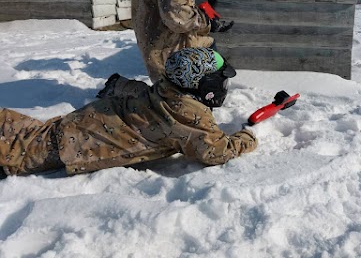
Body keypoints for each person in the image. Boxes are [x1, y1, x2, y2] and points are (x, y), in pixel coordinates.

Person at [0, 48, 257, 176]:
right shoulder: (187, 116)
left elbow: (140, 92)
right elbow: (215, 151)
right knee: (14, 155)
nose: (224, 85)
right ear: (201, 84)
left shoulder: (166, 90)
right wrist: (248, 138)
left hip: (83, 123)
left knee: (24, 131)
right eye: (219, 80)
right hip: (78, 143)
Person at [97, 0, 233, 99]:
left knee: (180, 84)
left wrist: (201, 16)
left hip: (161, 39)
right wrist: (208, 22)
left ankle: (201, 95)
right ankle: (122, 88)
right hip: (166, 47)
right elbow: (179, 19)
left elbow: (172, 8)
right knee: (171, 97)